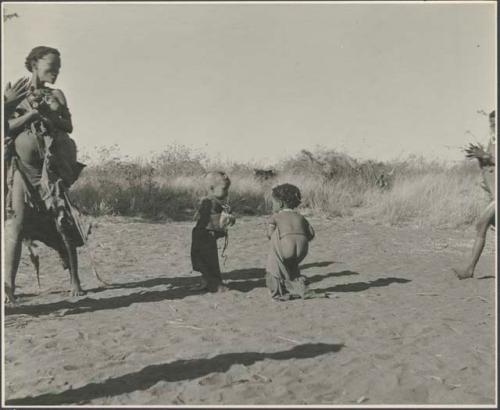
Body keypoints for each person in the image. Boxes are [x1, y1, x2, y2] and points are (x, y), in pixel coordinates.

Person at [4, 46, 88, 302]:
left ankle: (74, 278)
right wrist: (20, 109)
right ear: (34, 64)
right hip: (21, 170)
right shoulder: (15, 92)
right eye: (51, 66)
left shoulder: (56, 94)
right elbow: (5, 126)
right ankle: (9, 286)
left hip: (50, 171)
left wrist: (50, 113)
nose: (56, 71)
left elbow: (68, 126)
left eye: (59, 67)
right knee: (15, 227)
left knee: (62, 221)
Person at [454, 110, 496, 279]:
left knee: (481, 225)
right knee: (483, 226)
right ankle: (469, 269)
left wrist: (484, 155)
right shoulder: (492, 140)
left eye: (495, 122)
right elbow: (488, 166)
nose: (493, 125)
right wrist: (479, 156)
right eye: (491, 123)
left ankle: (469, 269)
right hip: (494, 195)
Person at [265, 183, 315, 301]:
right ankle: (299, 286)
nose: (272, 206)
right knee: (293, 269)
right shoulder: (300, 217)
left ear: (280, 203)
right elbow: (311, 234)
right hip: (302, 249)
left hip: (286, 246)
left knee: (273, 266)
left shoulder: (275, 217)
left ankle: (277, 292)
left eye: (273, 203)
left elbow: (269, 234)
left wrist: (276, 238)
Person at [190, 171, 235, 293]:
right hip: (205, 235)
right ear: (211, 188)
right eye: (224, 189)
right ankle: (215, 284)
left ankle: (208, 281)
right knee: (209, 261)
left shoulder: (215, 201)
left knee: (208, 261)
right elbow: (211, 221)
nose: (226, 193)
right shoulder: (210, 202)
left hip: (206, 234)